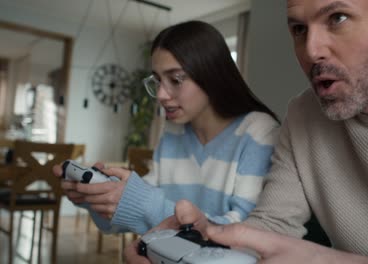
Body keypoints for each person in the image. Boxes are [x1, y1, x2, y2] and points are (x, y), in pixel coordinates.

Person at [124, 0, 368, 263]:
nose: (312, 51)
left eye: (338, 18)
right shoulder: (303, 116)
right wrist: (209, 238)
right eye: (299, 29)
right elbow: (272, 225)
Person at [53, 20, 280, 235]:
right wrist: (97, 199)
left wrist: (141, 202)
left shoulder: (258, 131)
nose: (161, 95)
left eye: (176, 79)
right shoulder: (174, 132)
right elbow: (139, 220)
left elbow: (247, 233)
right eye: (158, 81)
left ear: (211, 73)